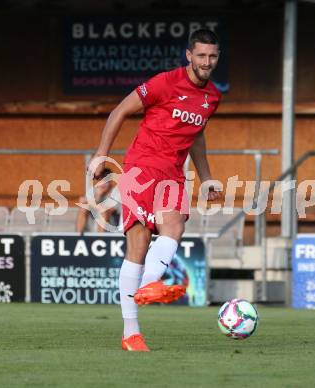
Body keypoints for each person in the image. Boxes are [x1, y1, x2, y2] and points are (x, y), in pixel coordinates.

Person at [89, 29, 222, 352]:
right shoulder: (164, 82)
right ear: (189, 55)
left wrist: (206, 178)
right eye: (201, 55)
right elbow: (119, 111)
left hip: (174, 172)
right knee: (139, 243)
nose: (207, 61)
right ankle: (131, 332)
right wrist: (100, 155)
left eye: (213, 56)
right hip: (142, 167)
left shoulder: (213, 97)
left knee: (175, 226)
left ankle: (149, 284)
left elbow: (197, 135)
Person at [76, 167, 122, 233]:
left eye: (106, 181)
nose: (102, 184)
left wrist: (94, 202)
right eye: (101, 180)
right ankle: (78, 236)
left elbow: (111, 210)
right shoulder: (94, 191)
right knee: (83, 208)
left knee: (103, 212)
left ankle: (100, 238)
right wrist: (97, 196)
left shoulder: (116, 193)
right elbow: (82, 201)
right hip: (93, 226)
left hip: (111, 227)